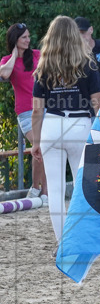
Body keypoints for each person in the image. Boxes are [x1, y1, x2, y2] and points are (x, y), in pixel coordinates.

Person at [31, 16, 100, 240]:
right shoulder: (88, 63)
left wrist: (35, 140)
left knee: (55, 188)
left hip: (52, 125)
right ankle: (81, 239)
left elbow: (36, 109)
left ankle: (63, 243)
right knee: (83, 186)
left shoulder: (44, 66)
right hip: (79, 124)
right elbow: (97, 101)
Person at [1, 23, 45, 196]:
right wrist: (14, 54)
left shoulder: (36, 55)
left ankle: (45, 192)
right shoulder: (7, 60)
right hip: (26, 111)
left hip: (43, 108)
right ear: (15, 40)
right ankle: (35, 187)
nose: (29, 39)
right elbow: (4, 74)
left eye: (28, 36)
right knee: (40, 146)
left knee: (45, 147)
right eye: (24, 37)